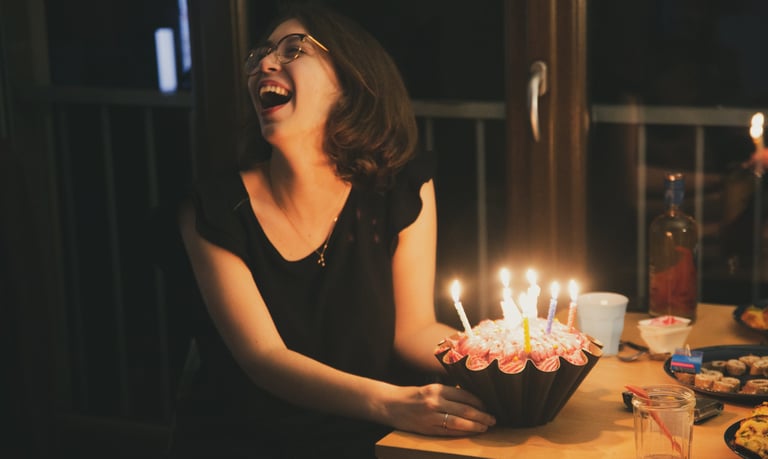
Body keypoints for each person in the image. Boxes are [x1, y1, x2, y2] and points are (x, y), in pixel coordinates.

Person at [167, 4, 495, 457]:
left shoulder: (397, 186)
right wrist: (394, 403)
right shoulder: (214, 208)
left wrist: (497, 354)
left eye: (293, 49)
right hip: (249, 441)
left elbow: (414, 329)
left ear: (350, 82)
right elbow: (265, 360)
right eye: (259, 54)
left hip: (371, 440)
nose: (264, 62)